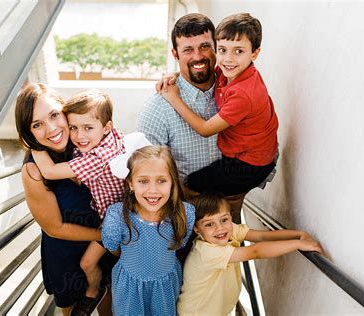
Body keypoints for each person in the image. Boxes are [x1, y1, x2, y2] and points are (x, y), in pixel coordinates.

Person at [32, 89, 148, 316]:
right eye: (73, 127)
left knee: (91, 263)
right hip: (119, 216)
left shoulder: (96, 158)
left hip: (115, 223)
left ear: (106, 127)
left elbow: (50, 171)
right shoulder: (112, 137)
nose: (79, 136)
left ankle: (94, 292)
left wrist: (33, 145)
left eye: (87, 128)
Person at [160, 13, 279, 221]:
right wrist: (175, 75)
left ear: (255, 53)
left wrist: (173, 98)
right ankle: (228, 229)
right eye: (222, 50)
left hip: (249, 164)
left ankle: (213, 235)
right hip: (250, 153)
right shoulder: (230, 71)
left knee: (191, 186)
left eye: (238, 51)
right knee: (227, 198)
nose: (228, 59)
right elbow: (199, 69)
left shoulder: (243, 94)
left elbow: (206, 129)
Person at [14, 83, 116, 316]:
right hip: (68, 254)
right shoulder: (35, 170)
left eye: (54, 115)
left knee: (111, 304)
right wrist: (107, 235)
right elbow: (55, 228)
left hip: (104, 247)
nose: (51, 129)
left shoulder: (85, 137)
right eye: (37, 124)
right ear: (29, 132)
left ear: (65, 111)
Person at [177, 192, 323, 315]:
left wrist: (298, 234)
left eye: (224, 219)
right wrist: (298, 244)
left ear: (230, 217)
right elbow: (255, 251)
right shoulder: (206, 252)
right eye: (209, 224)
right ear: (197, 230)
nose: (219, 228)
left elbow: (261, 236)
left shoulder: (228, 230)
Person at [101, 145, 196, 315]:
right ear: (131, 184)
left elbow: (179, 244)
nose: (153, 190)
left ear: (172, 182)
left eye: (161, 180)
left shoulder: (184, 214)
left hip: (165, 286)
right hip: (129, 287)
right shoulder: (118, 216)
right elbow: (113, 248)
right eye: (143, 181)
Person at [138, 13, 220, 183]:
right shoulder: (157, 108)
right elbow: (146, 173)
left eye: (205, 46)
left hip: (230, 202)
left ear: (216, 47)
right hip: (182, 203)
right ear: (175, 54)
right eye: (188, 50)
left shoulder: (235, 93)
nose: (198, 56)